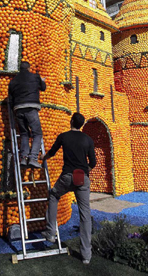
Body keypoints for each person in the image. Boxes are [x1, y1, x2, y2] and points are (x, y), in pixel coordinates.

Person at [41, 112, 96, 265]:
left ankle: (51, 233)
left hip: (67, 176)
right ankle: (86, 255)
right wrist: (85, 172)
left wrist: (44, 157)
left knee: (53, 195)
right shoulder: (88, 140)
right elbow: (93, 162)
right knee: (85, 214)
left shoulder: (64, 136)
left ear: (71, 121)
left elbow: (52, 152)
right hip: (82, 178)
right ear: (82, 124)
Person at [8, 61, 46, 169]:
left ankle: (24, 158)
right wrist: (42, 81)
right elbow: (43, 88)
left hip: (18, 109)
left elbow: (10, 100)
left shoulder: (13, 81)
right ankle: (33, 158)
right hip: (31, 107)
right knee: (37, 133)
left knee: (24, 133)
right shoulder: (35, 77)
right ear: (29, 68)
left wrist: (14, 111)